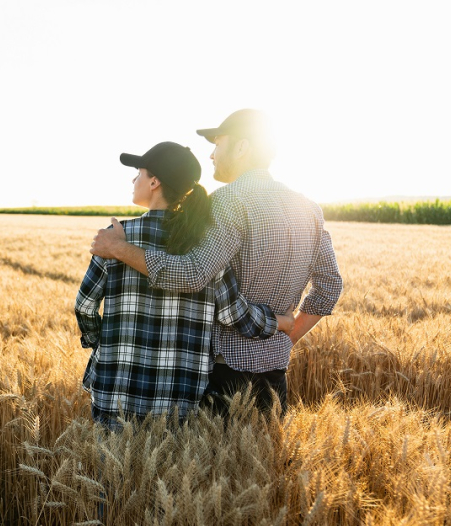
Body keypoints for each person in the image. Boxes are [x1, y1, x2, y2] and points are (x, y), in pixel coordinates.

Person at [90, 110, 342, 416]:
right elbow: (330, 287)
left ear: (241, 147)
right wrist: (286, 333)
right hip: (276, 376)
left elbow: (193, 274)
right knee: (261, 462)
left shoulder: (229, 200)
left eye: (218, 144)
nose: (211, 155)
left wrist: (120, 249)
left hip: (225, 376)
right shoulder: (309, 208)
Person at [76, 141, 294, 431]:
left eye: (138, 173)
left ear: (154, 181)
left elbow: (85, 306)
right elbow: (233, 315)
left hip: (116, 393)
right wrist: (280, 322)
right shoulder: (206, 247)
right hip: (181, 405)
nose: (133, 179)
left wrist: (103, 344)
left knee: (115, 477)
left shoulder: (114, 239)